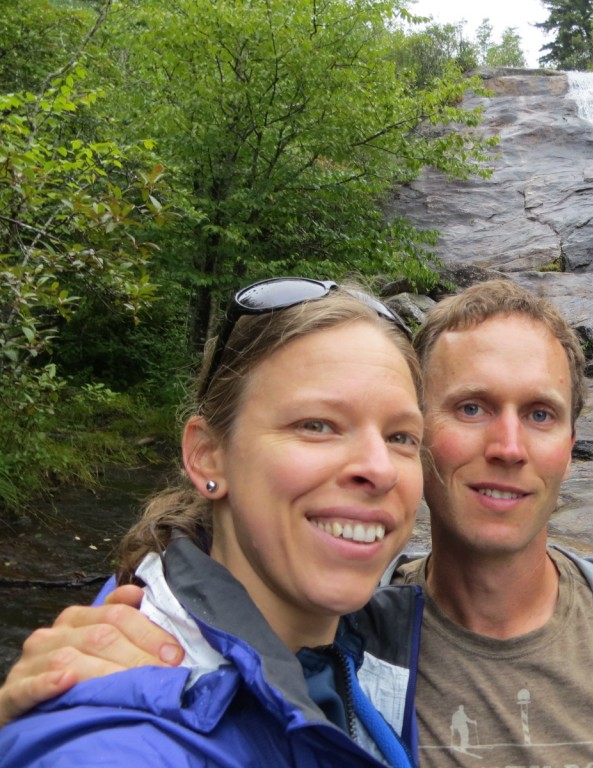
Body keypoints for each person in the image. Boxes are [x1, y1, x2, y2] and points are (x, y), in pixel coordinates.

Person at [1, 279, 593, 767]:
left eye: (541, 414)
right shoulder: (358, 635)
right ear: (208, 454)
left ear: (571, 443)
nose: (508, 447)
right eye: (469, 407)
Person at [0, 278, 427, 767]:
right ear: (207, 457)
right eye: (316, 425)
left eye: (401, 436)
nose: (379, 468)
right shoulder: (117, 743)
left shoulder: (370, 639)